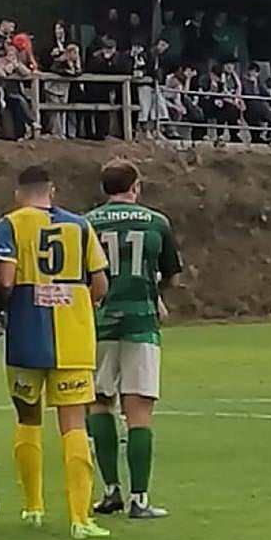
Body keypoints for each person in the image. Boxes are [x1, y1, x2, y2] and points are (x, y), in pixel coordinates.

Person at [0, 166, 111, 540]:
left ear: (18, 193)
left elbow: (6, 279)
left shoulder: (10, 224)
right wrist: (78, 305)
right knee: (74, 423)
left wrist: (1, 310)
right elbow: (100, 281)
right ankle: (80, 518)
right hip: (74, 337)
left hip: (26, 335)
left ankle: (33, 507)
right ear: (52, 191)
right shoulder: (80, 226)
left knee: (28, 417)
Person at [85, 160, 182, 520]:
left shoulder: (87, 223)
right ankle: (140, 498)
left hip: (97, 324)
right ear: (135, 186)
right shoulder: (156, 222)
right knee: (138, 410)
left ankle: (110, 491)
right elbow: (172, 275)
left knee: (98, 403)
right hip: (141, 323)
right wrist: (152, 292)